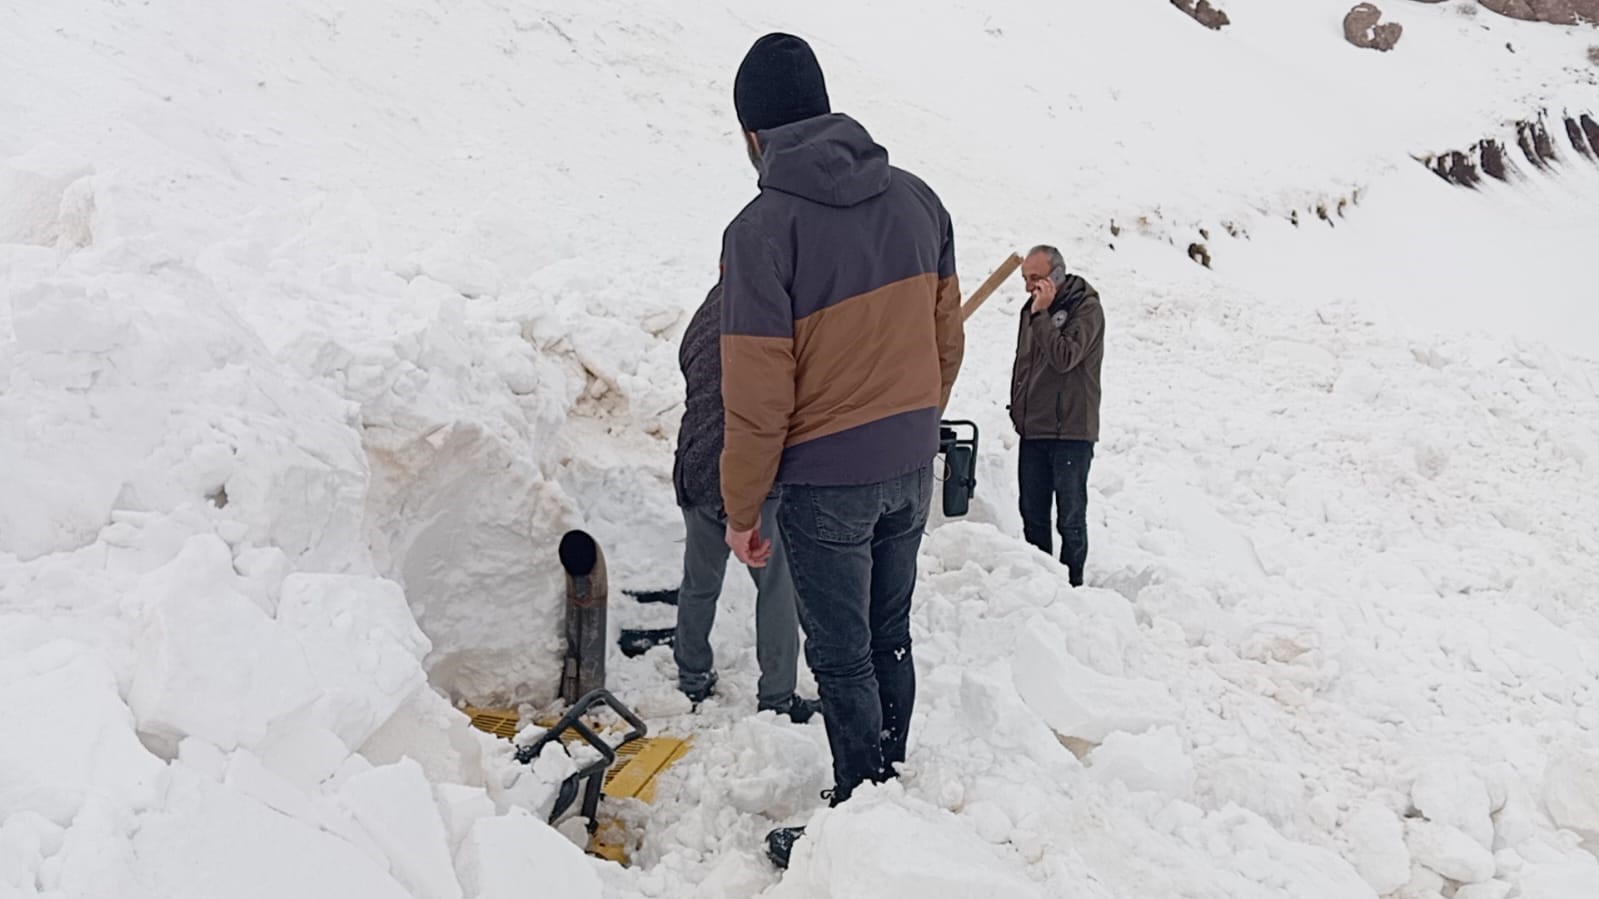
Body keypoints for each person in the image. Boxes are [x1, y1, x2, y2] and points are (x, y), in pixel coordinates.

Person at [716, 33, 964, 868]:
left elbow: (756, 397)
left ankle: (863, 814)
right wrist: (913, 423)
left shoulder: (759, 232)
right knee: (889, 633)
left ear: (754, 134)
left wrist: (741, 507)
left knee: (842, 653)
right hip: (907, 463)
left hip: (826, 483)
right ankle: (885, 782)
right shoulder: (919, 200)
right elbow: (946, 341)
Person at [671, 280, 820, 724]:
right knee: (776, 586)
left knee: (699, 581)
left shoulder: (702, 318)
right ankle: (777, 696)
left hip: (695, 464)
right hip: (750, 472)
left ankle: (691, 674)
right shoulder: (769, 316)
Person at [1009, 245, 1105, 587]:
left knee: (1071, 518)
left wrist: (1043, 317)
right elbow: (1026, 365)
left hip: (1071, 432)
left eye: (1034, 278)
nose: (1028, 287)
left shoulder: (1086, 308)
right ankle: (1040, 582)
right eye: (1025, 279)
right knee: (1032, 514)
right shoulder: (1033, 309)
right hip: (1034, 429)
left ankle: (1072, 585)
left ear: (1057, 275)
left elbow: (1065, 357)